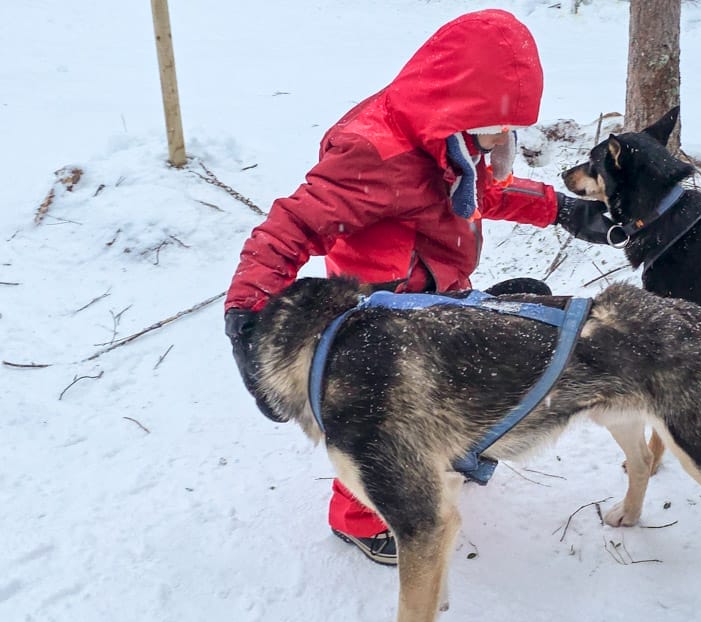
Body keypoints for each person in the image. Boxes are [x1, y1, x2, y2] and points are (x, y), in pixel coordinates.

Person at [223, 9, 610, 566]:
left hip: (438, 292)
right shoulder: (374, 151)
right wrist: (247, 312)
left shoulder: (443, 134)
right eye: (496, 121)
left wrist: (559, 210)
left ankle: (446, 457)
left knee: (489, 352)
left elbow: (475, 192)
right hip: (383, 311)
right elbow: (292, 226)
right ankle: (359, 518)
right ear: (460, 97)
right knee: (377, 420)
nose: (501, 136)